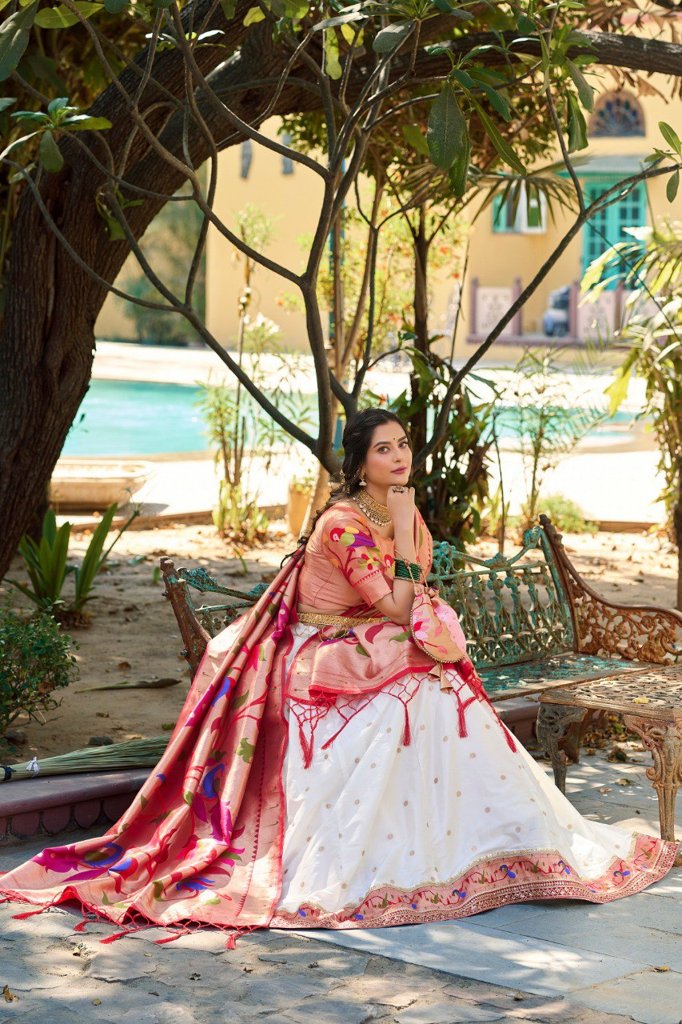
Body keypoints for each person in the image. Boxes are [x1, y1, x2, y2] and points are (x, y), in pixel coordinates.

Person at [0, 408, 678, 946]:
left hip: (367, 640)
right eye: (384, 448)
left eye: (404, 444)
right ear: (358, 465)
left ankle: (485, 845)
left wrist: (410, 538)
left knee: (438, 689)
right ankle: (395, 857)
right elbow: (394, 604)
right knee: (415, 694)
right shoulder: (343, 525)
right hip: (317, 653)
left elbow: (401, 608)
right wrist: (412, 537)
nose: (400, 455)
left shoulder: (393, 514)